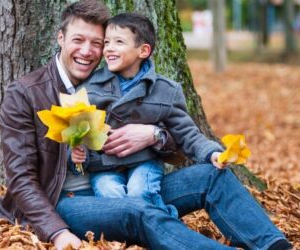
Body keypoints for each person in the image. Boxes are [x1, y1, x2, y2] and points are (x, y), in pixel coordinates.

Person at [0, 0, 292, 249]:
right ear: (60, 38)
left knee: (212, 177)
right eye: (78, 40)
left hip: (129, 181)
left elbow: (178, 132)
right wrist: (56, 231)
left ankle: (272, 244)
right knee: (138, 208)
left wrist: (154, 135)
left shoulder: (113, 80)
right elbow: (20, 178)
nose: (87, 51)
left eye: (97, 43)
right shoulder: (25, 93)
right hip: (66, 200)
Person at [68, 13, 226, 220]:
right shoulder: (90, 88)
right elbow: (77, 134)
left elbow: (187, 132)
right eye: (107, 42)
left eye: (119, 42)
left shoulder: (165, 90)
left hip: (144, 161)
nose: (109, 48)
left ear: (143, 51)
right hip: (103, 165)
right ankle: (140, 232)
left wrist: (211, 152)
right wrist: (77, 156)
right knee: (110, 195)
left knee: (140, 191)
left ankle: (162, 226)